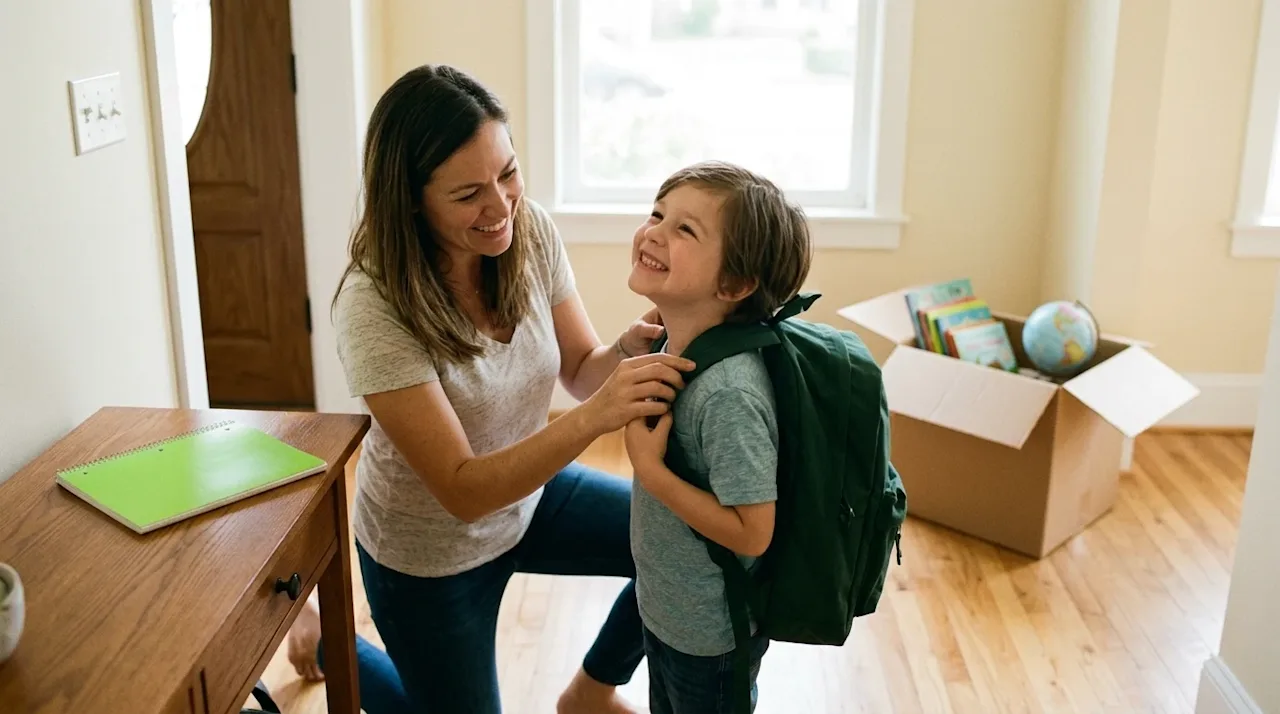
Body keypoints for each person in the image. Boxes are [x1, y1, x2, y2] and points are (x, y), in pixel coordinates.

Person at [283, 63, 696, 714]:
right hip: (429, 553)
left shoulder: (527, 228)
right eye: (469, 192)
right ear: (411, 199)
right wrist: (597, 418)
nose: (501, 206)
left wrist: (626, 350)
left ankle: (591, 691)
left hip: (530, 497)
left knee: (685, 542)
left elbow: (584, 367)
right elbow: (463, 489)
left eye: (507, 173)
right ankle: (328, 639)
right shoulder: (374, 306)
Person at [621, 161, 812, 713]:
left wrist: (651, 473)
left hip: (710, 639)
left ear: (733, 284)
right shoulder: (673, 346)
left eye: (685, 229)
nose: (654, 231)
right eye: (658, 214)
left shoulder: (728, 393)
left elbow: (752, 534)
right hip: (667, 612)